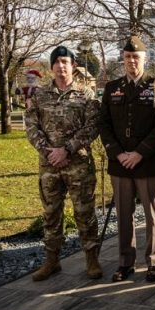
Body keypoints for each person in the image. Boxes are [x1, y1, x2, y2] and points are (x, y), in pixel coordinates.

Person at [25, 45, 103, 281]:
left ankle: (91, 259)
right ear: (52, 67)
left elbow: (92, 127)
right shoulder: (38, 95)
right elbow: (31, 126)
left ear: (73, 66)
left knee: (84, 212)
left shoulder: (85, 94)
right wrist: (49, 152)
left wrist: (67, 149)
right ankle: (52, 261)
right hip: (49, 166)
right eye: (57, 62)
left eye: (65, 62)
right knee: (51, 214)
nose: (61, 66)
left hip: (78, 165)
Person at [100, 36, 155, 283]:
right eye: (128, 57)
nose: (132, 61)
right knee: (123, 214)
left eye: (136, 57)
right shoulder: (112, 88)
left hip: (148, 160)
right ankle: (125, 262)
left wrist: (139, 152)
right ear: (123, 59)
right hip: (120, 162)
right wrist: (119, 153)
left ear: (145, 58)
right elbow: (104, 124)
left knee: (153, 215)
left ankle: (154, 262)